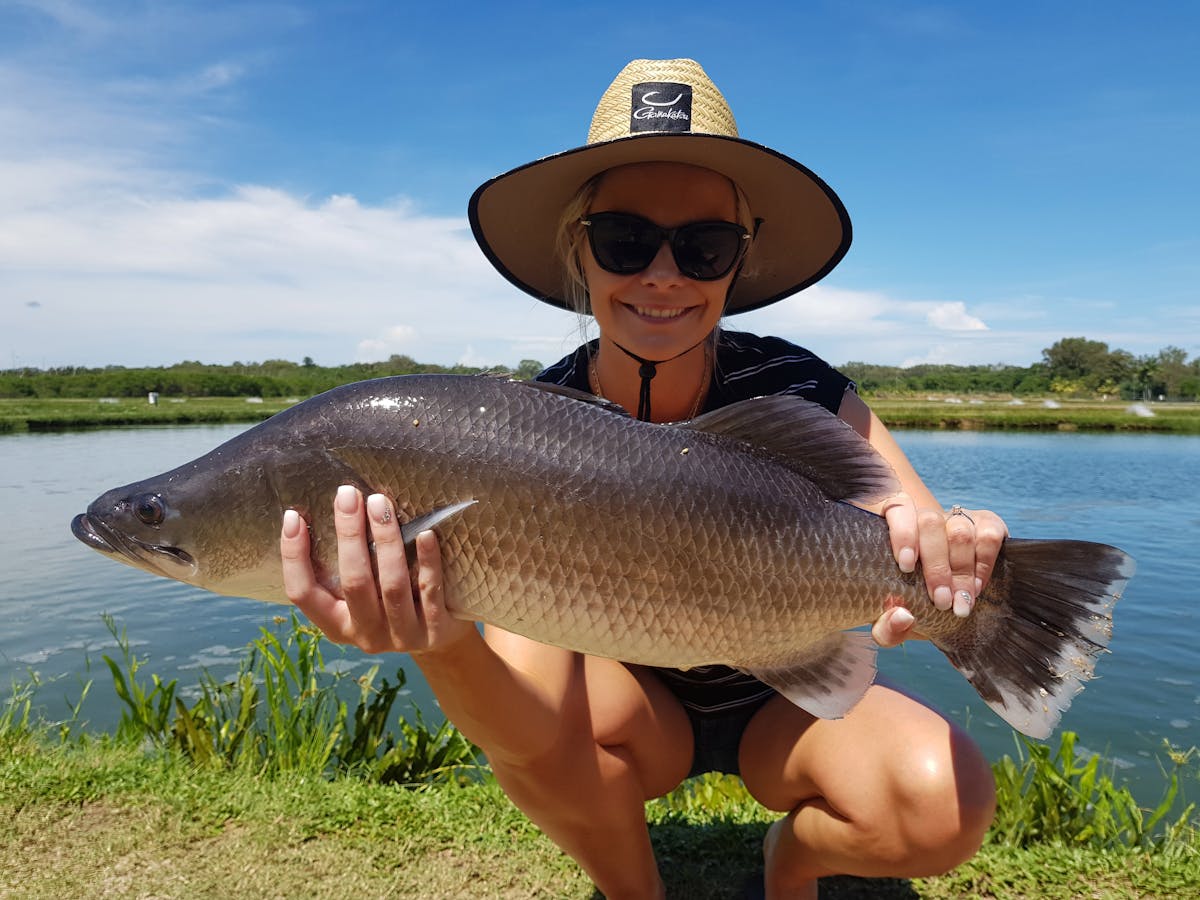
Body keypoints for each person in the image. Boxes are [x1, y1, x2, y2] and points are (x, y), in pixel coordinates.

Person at [280, 59, 1003, 899]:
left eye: (703, 247)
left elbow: (913, 537)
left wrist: (959, 557)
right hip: (633, 707)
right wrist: (439, 644)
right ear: (579, 251)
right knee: (545, 755)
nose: (664, 275)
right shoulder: (522, 428)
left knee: (940, 803)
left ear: (741, 260)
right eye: (626, 240)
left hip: (784, 699)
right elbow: (523, 732)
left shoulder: (805, 390)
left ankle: (793, 862)